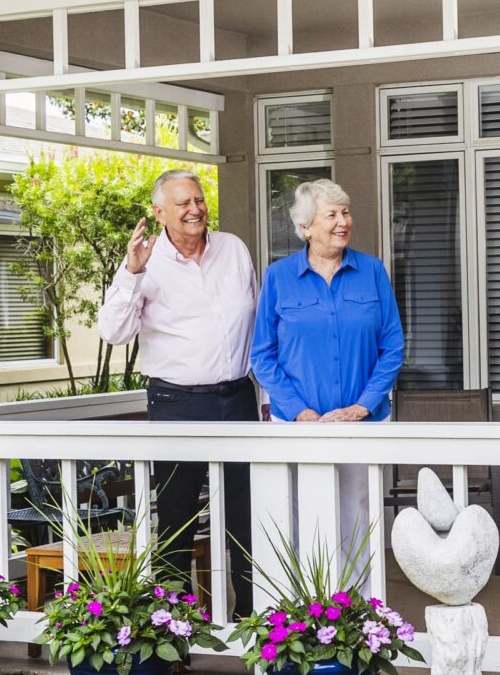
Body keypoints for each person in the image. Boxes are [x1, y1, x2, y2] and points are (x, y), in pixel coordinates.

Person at [94, 168, 258, 614]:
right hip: (177, 401)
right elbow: (112, 332)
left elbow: (257, 322)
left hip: (237, 397)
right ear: (159, 211)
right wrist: (132, 272)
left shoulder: (234, 250)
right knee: (177, 518)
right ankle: (175, 624)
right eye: (183, 203)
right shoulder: (144, 263)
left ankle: (251, 620)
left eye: (199, 200)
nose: (195, 209)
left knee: (246, 514)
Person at [250, 179, 404, 588]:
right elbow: (261, 355)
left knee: (358, 519)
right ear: (305, 228)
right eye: (332, 215)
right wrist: (300, 411)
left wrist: (362, 407)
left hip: (362, 423)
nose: (343, 222)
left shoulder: (371, 271)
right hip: (299, 424)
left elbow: (393, 347)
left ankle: (361, 619)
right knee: (303, 520)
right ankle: (306, 614)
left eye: (346, 212)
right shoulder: (279, 277)